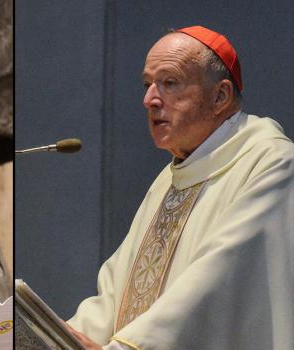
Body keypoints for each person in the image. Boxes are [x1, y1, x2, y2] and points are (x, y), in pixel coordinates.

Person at [66, 26, 294, 349]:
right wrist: (64, 336)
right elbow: (117, 289)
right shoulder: (171, 178)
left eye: (169, 83)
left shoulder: (271, 162)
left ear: (221, 96)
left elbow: (214, 283)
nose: (149, 100)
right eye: (147, 85)